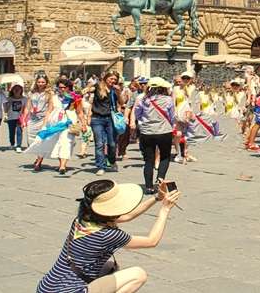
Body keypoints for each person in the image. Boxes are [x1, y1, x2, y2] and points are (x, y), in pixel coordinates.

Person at [36, 179, 181, 293]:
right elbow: (151, 241)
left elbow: (127, 216)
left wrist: (157, 198)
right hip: (70, 290)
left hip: (47, 287)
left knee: (110, 266)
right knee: (138, 274)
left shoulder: (82, 219)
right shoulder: (108, 234)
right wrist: (165, 209)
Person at [132, 77, 176, 194]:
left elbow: (137, 114)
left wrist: (144, 121)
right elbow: (172, 116)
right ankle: (160, 178)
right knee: (165, 157)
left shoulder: (142, 99)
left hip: (147, 132)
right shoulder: (168, 100)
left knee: (149, 161)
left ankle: (149, 187)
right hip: (164, 131)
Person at [28, 80, 81, 175]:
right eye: (60, 87)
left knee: (65, 143)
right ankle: (39, 161)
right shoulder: (54, 98)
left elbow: (79, 112)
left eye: (65, 87)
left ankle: (62, 166)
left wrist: (84, 123)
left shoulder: (74, 98)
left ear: (69, 88)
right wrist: (44, 125)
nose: (62, 89)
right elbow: (48, 111)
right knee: (45, 141)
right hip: (54, 124)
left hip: (67, 124)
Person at [87, 72, 121, 175]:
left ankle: (112, 161)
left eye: (115, 79)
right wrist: (88, 89)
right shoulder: (98, 87)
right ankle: (101, 166)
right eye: (111, 79)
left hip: (110, 119)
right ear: (106, 78)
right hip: (97, 118)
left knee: (112, 144)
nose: (113, 81)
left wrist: (119, 93)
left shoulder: (115, 90)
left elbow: (122, 102)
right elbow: (86, 91)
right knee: (99, 143)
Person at [26, 76, 55, 154]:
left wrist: (46, 120)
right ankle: (38, 154)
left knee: (41, 138)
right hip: (32, 118)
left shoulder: (50, 93)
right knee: (30, 139)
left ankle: (39, 158)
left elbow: (50, 108)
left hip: (43, 117)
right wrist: (25, 118)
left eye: (42, 82)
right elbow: (28, 106)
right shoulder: (31, 92)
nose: (40, 84)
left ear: (46, 83)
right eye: (39, 82)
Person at [6, 84, 26, 152]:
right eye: (15, 89)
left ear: (21, 90)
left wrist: (24, 117)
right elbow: (5, 109)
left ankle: (18, 145)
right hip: (11, 117)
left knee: (19, 131)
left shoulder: (24, 99)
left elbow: (26, 109)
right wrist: (9, 102)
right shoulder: (9, 98)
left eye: (18, 89)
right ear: (12, 90)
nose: (17, 90)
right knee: (11, 132)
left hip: (20, 117)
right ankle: (12, 144)